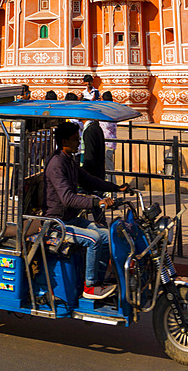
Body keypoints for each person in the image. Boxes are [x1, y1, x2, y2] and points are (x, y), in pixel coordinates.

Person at [44, 120, 127, 299]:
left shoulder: (70, 160)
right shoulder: (57, 164)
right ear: (65, 142)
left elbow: (88, 179)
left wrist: (115, 188)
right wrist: (97, 203)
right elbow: (67, 198)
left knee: (106, 235)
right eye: (75, 139)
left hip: (72, 219)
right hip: (58, 224)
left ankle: (98, 278)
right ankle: (90, 287)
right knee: (94, 239)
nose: (78, 142)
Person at [100, 91, 118, 176]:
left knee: (109, 166)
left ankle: (112, 186)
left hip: (108, 142)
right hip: (107, 141)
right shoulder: (112, 110)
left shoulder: (108, 111)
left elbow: (107, 124)